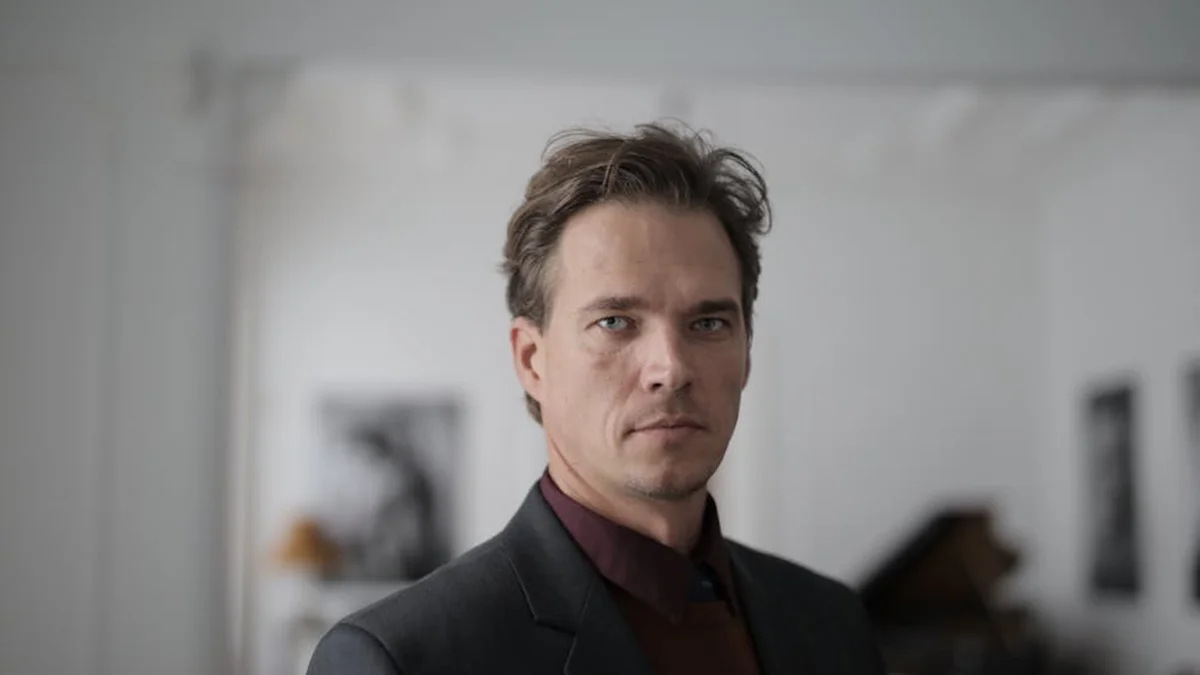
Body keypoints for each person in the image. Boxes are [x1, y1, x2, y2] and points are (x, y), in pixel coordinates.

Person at [307, 122, 886, 674]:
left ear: (747, 355)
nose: (671, 369)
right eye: (615, 321)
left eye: (708, 324)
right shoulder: (401, 658)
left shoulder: (833, 621)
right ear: (531, 361)